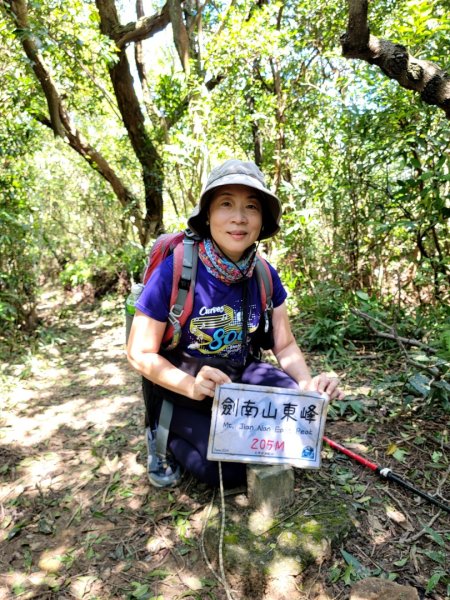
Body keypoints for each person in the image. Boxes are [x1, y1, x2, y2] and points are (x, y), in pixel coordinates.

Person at [127, 159, 344, 489]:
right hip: (186, 389)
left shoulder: (263, 274)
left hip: (240, 376)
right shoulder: (177, 271)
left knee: (298, 418)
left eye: (251, 207)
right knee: (224, 472)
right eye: (226, 203)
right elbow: (139, 352)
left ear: (261, 219)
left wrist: (306, 387)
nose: (239, 217)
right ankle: (160, 430)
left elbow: (283, 344)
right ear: (208, 215)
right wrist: (192, 386)